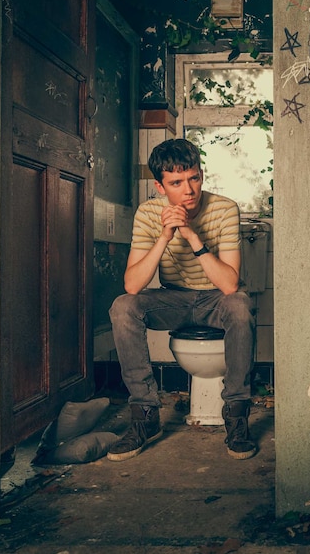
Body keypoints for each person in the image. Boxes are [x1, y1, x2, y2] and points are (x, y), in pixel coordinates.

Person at [107, 138, 257, 462]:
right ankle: (145, 416)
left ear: (201, 175)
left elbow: (230, 284)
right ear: (160, 187)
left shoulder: (224, 208)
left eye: (194, 178)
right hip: (173, 299)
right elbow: (132, 285)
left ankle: (236, 416)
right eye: (176, 183)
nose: (189, 190)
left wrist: (191, 235)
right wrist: (165, 236)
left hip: (217, 299)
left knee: (241, 307)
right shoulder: (148, 214)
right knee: (122, 308)